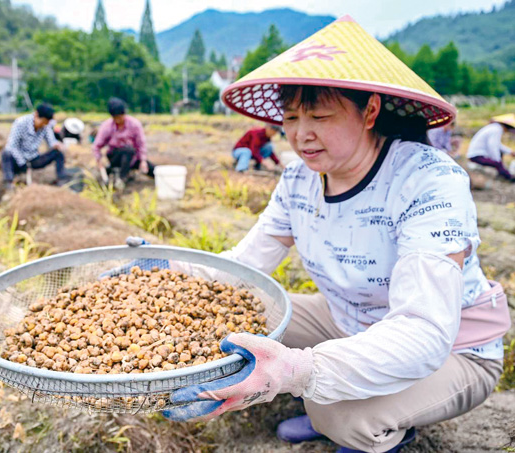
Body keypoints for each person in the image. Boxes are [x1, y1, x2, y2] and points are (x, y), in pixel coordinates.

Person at [161, 16, 510, 453]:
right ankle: (339, 399)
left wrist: (299, 371)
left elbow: (423, 331)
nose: (300, 135)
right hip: (349, 321)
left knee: (335, 411)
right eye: (291, 118)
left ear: (370, 112)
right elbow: (248, 263)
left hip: (455, 347)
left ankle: (376, 427)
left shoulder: (427, 180)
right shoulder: (298, 180)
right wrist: (169, 271)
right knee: (236, 313)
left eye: (320, 116)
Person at [1, 103, 70, 188]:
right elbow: (12, 146)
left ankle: (62, 180)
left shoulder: (46, 126)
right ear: (36, 115)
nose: (43, 125)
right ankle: (9, 183)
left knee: (58, 153)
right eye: (43, 122)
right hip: (19, 159)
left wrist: (57, 145)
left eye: (46, 123)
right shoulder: (21, 123)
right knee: (6, 153)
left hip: (34, 158)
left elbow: (51, 141)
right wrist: (22, 163)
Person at [92, 97, 154, 190]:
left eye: (121, 116)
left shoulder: (134, 124)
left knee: (154, 170)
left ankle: (123, 173)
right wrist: (99, 160)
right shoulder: (107, 126)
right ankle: (121, 179)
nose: (119, 120)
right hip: (115, 157)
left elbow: (141, 144)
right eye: (116, 117)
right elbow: (96, 146)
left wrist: (143, 161)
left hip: (132, 157)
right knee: (127, 150)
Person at [466, 114, 515, 181]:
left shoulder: (494, 127)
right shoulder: (497, 129)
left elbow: (497, 145)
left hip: (476, 154)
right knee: (498, 164)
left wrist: (510, 152)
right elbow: (493, 146)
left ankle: (503, 174)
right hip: (477, 156)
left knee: (499, 158)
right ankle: (509, 177)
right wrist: (498, 161)